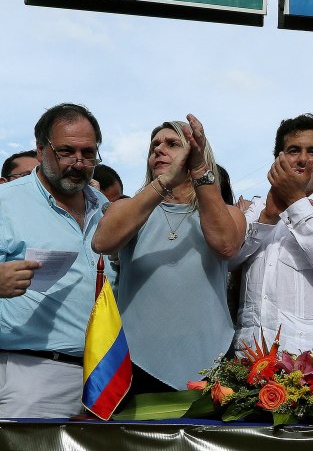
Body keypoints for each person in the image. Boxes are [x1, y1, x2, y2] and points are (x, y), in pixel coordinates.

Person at [92, 115, 245, 394]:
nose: (159, 149)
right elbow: (103, 242)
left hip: (210, 357)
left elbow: (226, 245)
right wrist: (163, 184)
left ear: (197, 153)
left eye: (172, 143)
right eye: (154, 146)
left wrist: (198, 169)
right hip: (134, 359)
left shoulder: (229, 214)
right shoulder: (128, 210)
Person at [0, 103, 116, 418]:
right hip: (30, 376)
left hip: (104, 381)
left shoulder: (105, 208)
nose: (78, 163)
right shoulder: (6, 203)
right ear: (40, 150)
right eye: (66, 151)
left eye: (88, 153)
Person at [229, 113, 313, 357]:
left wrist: (295, 201)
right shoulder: (258, 207)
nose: (303, 159)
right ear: (278, 160)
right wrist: (267, 219)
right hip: (249, 361)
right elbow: (228, 259)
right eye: (293, 150)